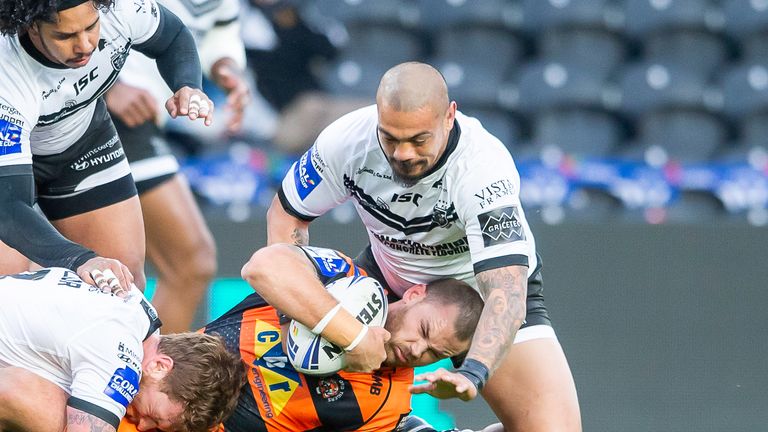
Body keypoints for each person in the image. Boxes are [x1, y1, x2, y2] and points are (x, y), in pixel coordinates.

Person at [266, 62, 582, 431]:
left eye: (419, 140)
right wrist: (294, 317)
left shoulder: (483, 169)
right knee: (294, 396)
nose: (402, 153)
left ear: (450, 116)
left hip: (482, 301)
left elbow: (506, 293)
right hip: (389, 283)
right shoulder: (347, 140)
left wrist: (474, 373)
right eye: (390, 138)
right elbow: (287, 216)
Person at [115, 243, 485, 431]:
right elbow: (262, 267)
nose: (417, 350)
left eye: (434, 353)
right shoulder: (343, 281)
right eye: (423, 331)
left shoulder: (387, 405)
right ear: (415, 294)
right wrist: (354, 338)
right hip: (141, 400)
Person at [0, 0, 216, 291]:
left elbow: (173, 36)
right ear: (31, 28)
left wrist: (187, 85)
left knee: (122, 282)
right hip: (10, 168)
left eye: (91, 27)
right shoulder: (7, 73)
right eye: (64, 36)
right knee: (10, 283)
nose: (85, 45)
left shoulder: (119, 9)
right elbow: (9, 207)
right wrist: (78, 259)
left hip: (82, 141)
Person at [104, 0, 250, 333]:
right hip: (88, 109)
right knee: (183, 262)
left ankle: (144, 379)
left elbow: (219, 29)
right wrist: (109, 86)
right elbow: (59, 18)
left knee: (178, 265)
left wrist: (226, 68)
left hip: (144, 117)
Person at [0, 267, 244, 432]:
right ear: (160, 366)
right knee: (49, 409)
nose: (143, 426)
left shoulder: (140, 312)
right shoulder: (121, 360)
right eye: (153, 416)